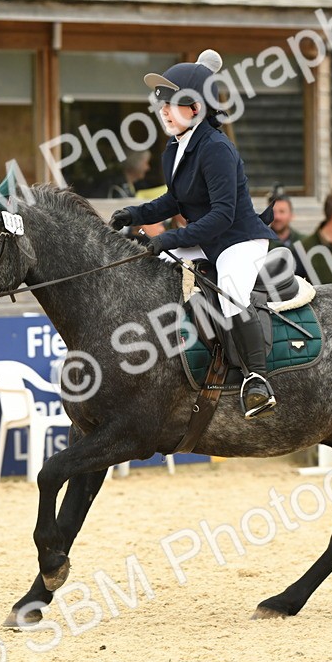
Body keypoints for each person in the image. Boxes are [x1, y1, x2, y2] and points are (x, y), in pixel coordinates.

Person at [108, 50, 279, 419]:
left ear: (197, 107)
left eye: (172, 104)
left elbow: (222, 216)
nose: (164, 111)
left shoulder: (216, 148)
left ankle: (256, 381)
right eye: (162, 105)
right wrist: (134, 214)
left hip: (238, 240)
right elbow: (175, 199)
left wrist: (168, 239)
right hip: (207, 239)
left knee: (232, 294)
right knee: (151, 270)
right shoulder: (175, 149)